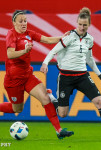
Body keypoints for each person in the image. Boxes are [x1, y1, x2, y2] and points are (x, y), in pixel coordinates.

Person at [40, 7, 101, 141]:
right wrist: (45, 63)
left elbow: (90, 60)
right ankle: (53, 99)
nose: (82, 27)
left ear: (89, 25)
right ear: (76, 23)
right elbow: (53, 51)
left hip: (82, 76)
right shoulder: (69, 36)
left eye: (85, 25)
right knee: (62, 114)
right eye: (80, 24)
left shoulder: (90, 40)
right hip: (65, 77)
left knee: (99, 102)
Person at [0, 10, 74, 139]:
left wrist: (62, 38)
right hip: (13, 80)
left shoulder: (29, 34)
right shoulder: (11, 34)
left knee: (45, 98)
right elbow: (10, 54)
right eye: (21, 21)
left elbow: (46, 39)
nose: (24, 23)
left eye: (25, 21)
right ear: (14, 23)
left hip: (27, 76)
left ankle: (59, 130)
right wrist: (25, 50)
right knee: (17, 109)